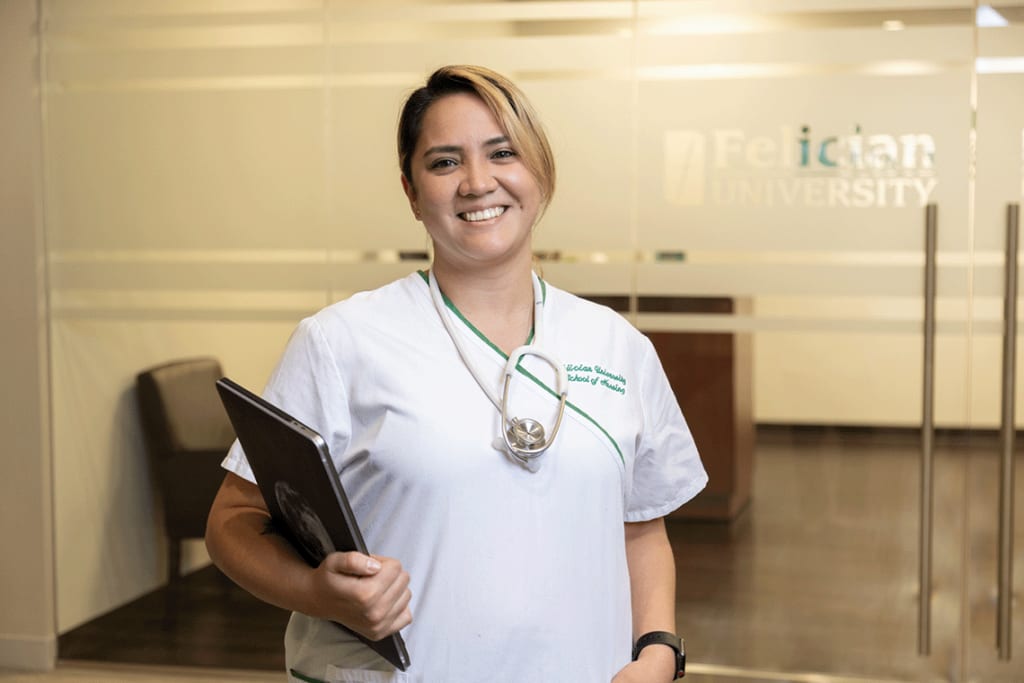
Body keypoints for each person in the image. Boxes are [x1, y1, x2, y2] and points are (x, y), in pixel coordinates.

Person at [205, 64, 707, 683]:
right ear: (412, 192)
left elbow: (640, 527)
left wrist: (658, 651)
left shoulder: (616, 345)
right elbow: (232, 523)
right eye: (444, 163)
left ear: (539, 172)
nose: (477, 182)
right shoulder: (341, 342)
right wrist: (318, 591)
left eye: (503, 153)